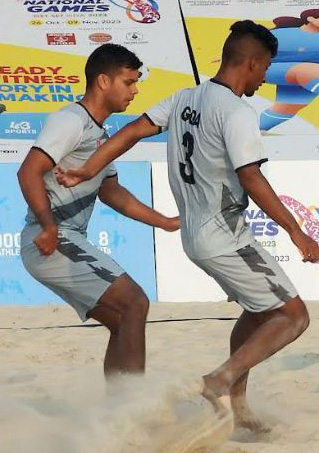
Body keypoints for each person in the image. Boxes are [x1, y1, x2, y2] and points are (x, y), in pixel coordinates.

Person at [57, 20, 319, 433]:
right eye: (266, 68)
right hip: (225, 236)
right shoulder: (236, 111)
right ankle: (219, 382)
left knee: (259, 313)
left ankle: (238, 407)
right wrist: (295, 229)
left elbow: (132, 132)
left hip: (195, 237)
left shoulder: (184, 97)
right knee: (294, 316)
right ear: (252, 63)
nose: (265, 78)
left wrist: (88, 169)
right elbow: (251, 176)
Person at [16, 43, 180, 379]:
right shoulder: (71, 120)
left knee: (123, 320)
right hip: (52, 238)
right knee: (135, 303)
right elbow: (28, 171)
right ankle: (133, 403)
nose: (135, 91)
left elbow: (111, 192)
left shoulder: (99, 134)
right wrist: (48, 226)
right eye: (129, 82)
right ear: (103, 81)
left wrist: (163, 222)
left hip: (61, 237)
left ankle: (115, 405)